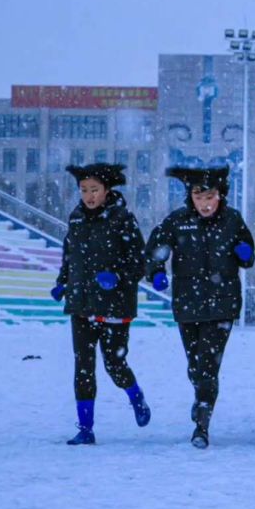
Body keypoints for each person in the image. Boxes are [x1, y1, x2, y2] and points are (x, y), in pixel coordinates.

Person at [145, 166, 255, 448]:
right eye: (198, 196)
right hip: (187, 304)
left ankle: (202, 423)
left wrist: (244, 252)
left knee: (207, 365)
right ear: (190, 197)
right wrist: (156, 271)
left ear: (220, 196)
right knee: (195, 366)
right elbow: (156, 248)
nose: (205, 203)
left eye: (210, 196)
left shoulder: (232, 220)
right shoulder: (178, 221)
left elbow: (248, 254)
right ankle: (202, 397)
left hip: (222, 305)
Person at [52, 163, 149, 445]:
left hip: (114, 307)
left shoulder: (123, 219)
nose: (89, 196)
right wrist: (62, 282)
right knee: (83, 366)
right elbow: (70, 256)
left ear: (107, 190)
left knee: (114, 365)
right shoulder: (76, 218)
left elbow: (139, 263)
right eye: (84, 190)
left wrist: (117, 276)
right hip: (81, 304)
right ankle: (86, 428)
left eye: (94, 190)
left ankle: (135, 396)